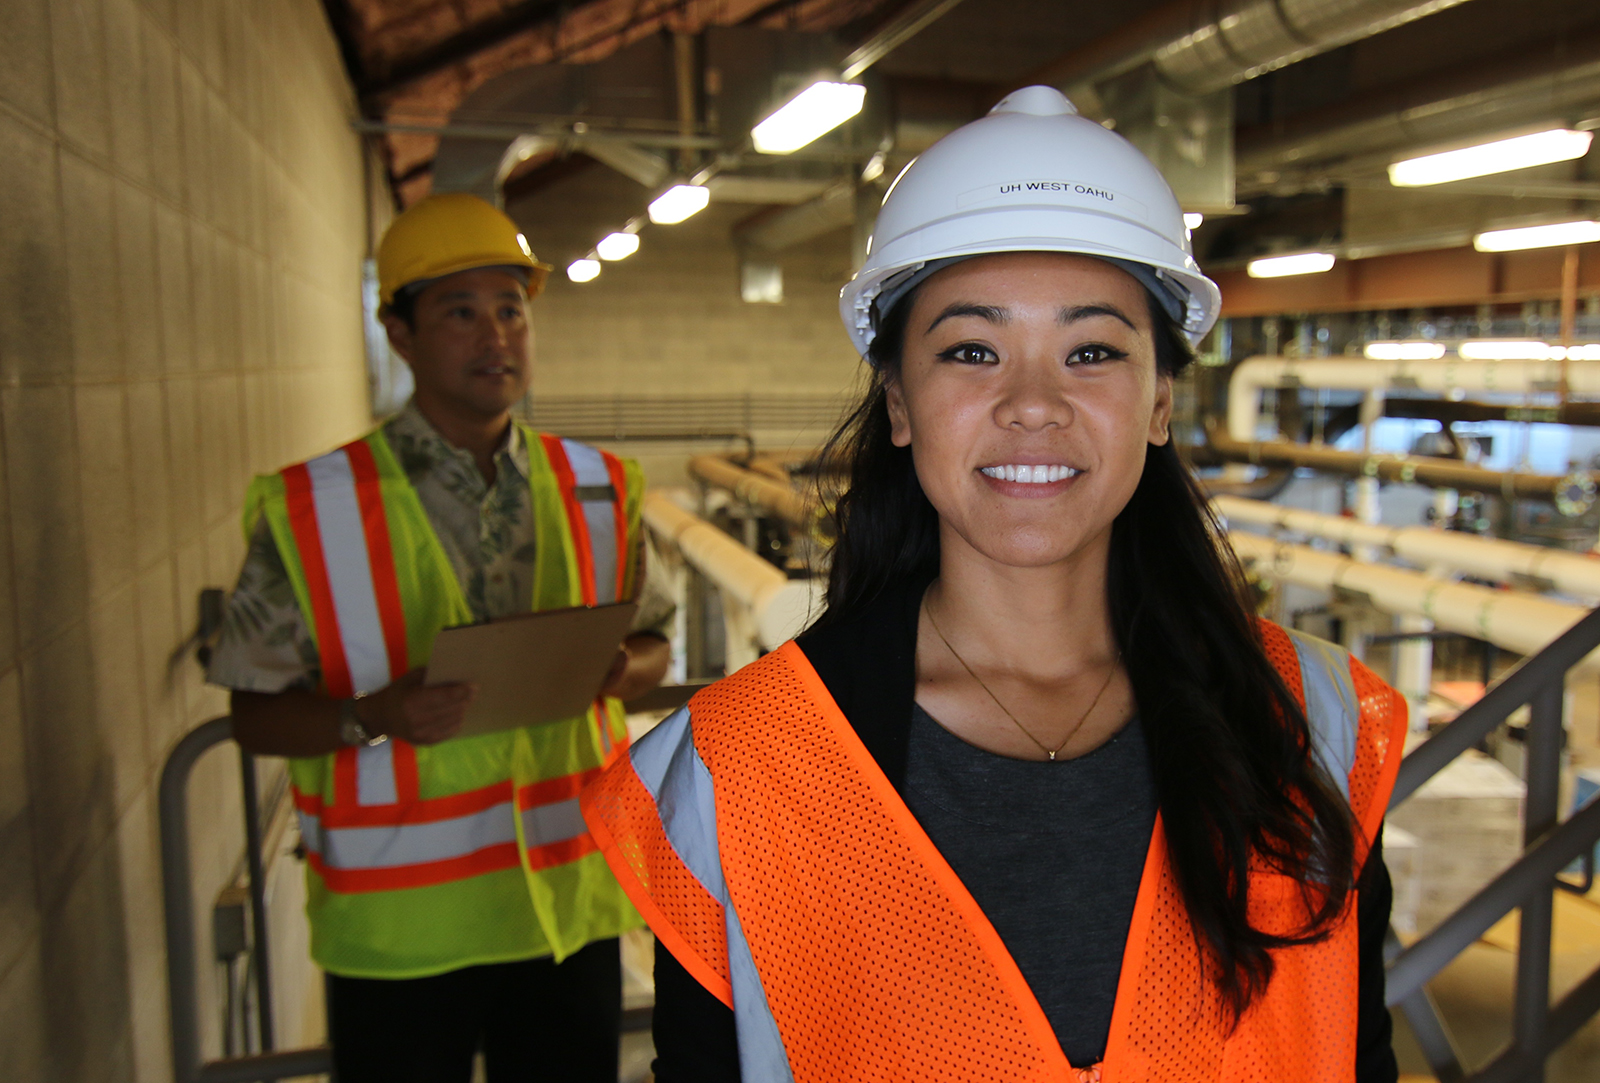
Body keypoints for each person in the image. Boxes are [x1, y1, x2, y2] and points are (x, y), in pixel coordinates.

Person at [581, 87, 1405, 1082]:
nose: (1030, 405)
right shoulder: (739, 775)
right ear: (897, 403)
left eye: (1091, 351)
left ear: (1158, 405)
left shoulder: (1308, 722)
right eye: (972, 350)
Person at [207, 192, 674, 1083]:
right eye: (460, 311)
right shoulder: (315, 507)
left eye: (511, 308)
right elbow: (253, 716)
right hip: (402, 934)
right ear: (401, 334)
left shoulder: (602, 488)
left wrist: (623, 668)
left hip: (568, 913)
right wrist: (369, 715)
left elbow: (653, 647)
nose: (495, 334)